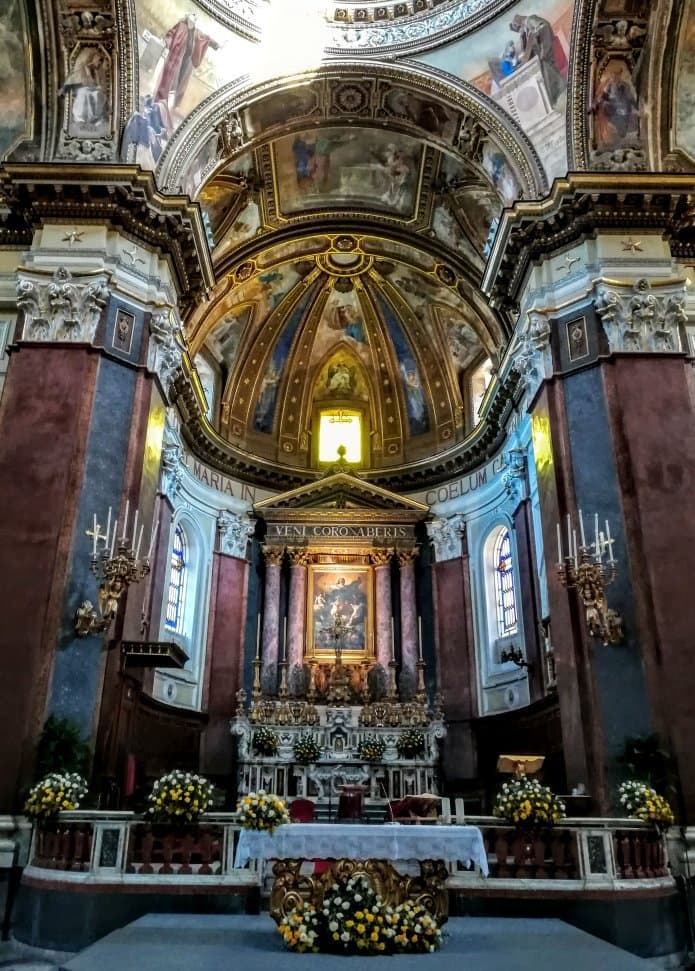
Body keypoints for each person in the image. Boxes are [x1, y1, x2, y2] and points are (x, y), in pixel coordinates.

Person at [154, 13, 219, 110]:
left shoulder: (196, 32)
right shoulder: (181, 26)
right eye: (191, 17)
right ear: (187, 18)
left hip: (187, 60)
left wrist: (217, 45)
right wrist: (167, 42)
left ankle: (174, 105)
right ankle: (161, 101)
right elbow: (171, 34)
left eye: (194, 18)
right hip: (176, 57)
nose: (193, 19)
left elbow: (206, 39)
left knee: (181, 81)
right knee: (170, 79)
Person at [509, 14, 565, 106]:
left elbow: (544, 26)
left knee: (549, 74)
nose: (519, 31)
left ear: (518, 21)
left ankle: (559, 94)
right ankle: (555, 97)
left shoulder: (530, 19)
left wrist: (543, 49)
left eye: (518, 28)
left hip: (545, 51)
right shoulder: (526, 28)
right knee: (547, 77)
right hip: (540, 56)